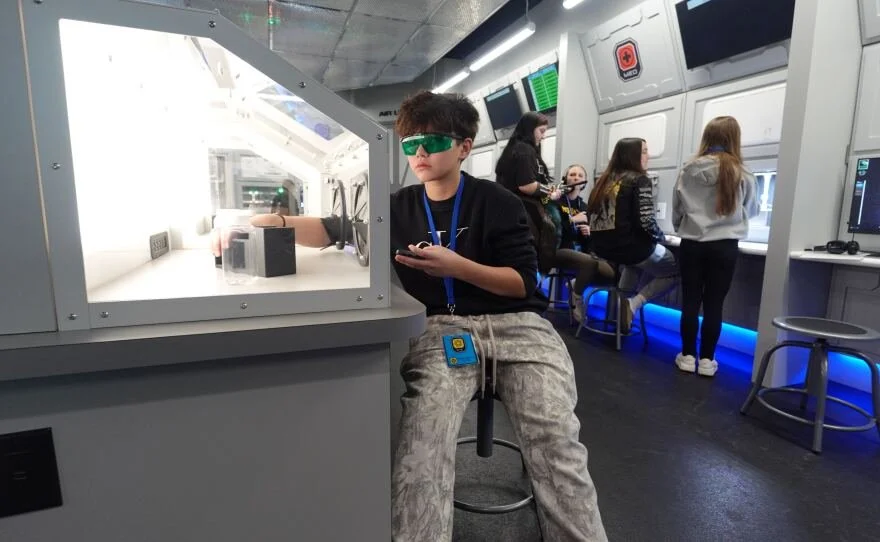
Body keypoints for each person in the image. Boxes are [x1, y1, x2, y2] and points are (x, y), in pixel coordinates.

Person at [224, 91, 608, 541]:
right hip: (444, 330)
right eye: (410, 144)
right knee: (422, 449)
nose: (419, 153)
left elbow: (524, 283)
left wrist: (457, 267)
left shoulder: (499, 202)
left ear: (464, 146)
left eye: (432, 142)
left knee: (557, 445)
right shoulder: (399, 207)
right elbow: (333, 229)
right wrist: (267, 224)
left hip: (519, 327)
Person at [672, 116, 758, 376]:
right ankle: (707, 361)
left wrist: (686, 228)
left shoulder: (688, 170)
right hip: (725, 247)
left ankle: (687, 356)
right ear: (734, 139)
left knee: (690, 301)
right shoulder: (742, 173)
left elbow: (678, 210)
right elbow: (751, 210)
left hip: (692, 244)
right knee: (714, 304)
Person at [586, 138, 679, 332]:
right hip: (632, 248)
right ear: (633, 155)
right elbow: (646, 222)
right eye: (644, 151)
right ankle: (634, 303)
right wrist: (662, 237)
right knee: (674, 271)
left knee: (634, 265)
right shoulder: (639, 179)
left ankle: (622, 313)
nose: (648, 156)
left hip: (605, 249)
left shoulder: (604, 181)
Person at [494, 112, 560, 274]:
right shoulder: (524, 150)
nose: (543, 137)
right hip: (525, 210)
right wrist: (550, 192)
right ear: (530, 130)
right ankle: (542, 272)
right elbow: (526, 185)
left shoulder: (515, 149)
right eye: (542, 131)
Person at [554, 164, 615, 322]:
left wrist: (589, 232)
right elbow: (552, 228)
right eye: (572, 174)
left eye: (580, 176)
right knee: (589, 263)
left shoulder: (584, 206)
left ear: (584, 182)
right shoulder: (557, 201)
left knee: (611, 272)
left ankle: (576, 284)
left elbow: (589, 240)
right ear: (566, 178)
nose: (576, 178)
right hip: (559, 249)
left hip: (581, 252)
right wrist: (573, 219)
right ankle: (577, 298)